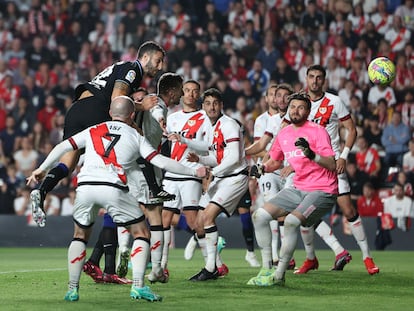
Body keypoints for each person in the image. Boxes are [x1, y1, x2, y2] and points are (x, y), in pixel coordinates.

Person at [26, 96, 207, 302]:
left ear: (111, 113)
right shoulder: (135, 135)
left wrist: (42, 168)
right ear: (132, 115)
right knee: (141, 232)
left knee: (80, 236)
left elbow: (63, 146)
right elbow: (162, 162)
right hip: (113, 187)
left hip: (85, 187)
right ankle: (138, 286)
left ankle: (72, 289)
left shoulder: (94, 129)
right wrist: (194, 172)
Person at [29, 41, 165, 228]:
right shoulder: (132, 69)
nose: (160, 67)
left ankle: (42, 190)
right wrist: (142, 106)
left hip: (77, 109)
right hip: (96, 109)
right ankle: (151, 189)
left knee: (68, 163)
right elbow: (116, 99)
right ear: (145, 57)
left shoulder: (120, 67)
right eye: (158, 61)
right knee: (134, 141)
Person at [294, 64, 379, 275]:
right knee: (305, 215)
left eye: (319, 77)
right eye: (311, 76)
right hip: (308, 168)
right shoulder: (298, 104)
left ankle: (367, 258)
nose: (315, 81)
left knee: (348, 210)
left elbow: (352, 130)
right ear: (306, 78)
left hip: (331, 164)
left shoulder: (334, 102)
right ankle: (311, 258)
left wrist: (343, 156)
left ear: (324, 80)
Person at [248, 91, 338, 286]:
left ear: (308, 111)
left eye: (301, 107)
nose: (295, 111)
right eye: (293, 107)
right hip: (298, 188)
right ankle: (266, 269)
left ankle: (279, 275)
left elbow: (332, 164)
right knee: (259, 216)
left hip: (323, 190)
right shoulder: (285, 133)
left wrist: (310, 154)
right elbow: (275, 161)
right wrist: (262, 168)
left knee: (290, 221)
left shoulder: (318, 131)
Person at [174, 88, 250, 281]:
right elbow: (215, 155)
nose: (212, 107)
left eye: (215, 103)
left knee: (207, 217)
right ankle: (217, 265)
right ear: (203, 106)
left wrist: (211, 172)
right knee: (198, 222)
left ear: (221, 105)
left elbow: (233, 158)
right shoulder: (211, 127)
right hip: (222, 177)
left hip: (234, 178)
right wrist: (199, 158)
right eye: (208, 103)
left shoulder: (229, 125)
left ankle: (211, 268)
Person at [245, 83, 294, 268]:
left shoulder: (298, 116)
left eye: (284, 96)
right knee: (273, 212)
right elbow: (263, 146)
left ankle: (294, 257)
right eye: (277, 95)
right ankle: (277, 258)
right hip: (272, 170)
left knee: (296, 215)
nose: (280, 99)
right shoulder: (270, 122)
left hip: (294, 170)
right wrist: (242, 153)